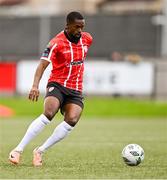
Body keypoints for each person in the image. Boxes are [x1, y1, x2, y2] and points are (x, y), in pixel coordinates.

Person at [9, 11, 93, 167]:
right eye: (77, 27)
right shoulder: (55, 43)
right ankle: (18, 150)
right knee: (49, 113)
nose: (80, 30)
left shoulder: (87, 39)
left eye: (82, 27)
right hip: (57, 84)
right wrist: (35, 85)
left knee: (72, 120)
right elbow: (42, 65)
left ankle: (40, 151)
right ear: (67, 26)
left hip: (75, 89)